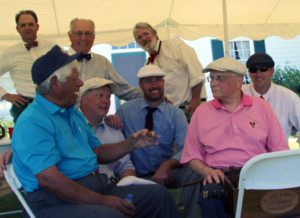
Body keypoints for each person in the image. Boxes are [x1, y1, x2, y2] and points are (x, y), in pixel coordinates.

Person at [10, 45, 180, 218]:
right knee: (112, 215)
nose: (80, 83)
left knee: (158, 196)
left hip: (95, 187)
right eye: (74, 78)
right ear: (55, 83)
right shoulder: (33, 121)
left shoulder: (72, 113)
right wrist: (102, 200)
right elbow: (50, 179)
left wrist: (131, 144)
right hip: (55, 200)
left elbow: (98, 152)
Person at [180, 57, 289, 218]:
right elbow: (191, 157)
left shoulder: (261, 107)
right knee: (211, 194)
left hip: (256, 175)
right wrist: (207, 171)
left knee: (285, 200)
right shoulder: (201, 112)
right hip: (220, 176)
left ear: (239, 81)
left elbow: (279, 150)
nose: (212, 83)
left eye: (220, 78)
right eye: (212, 78)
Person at [117, 64, 202, 218]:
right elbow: (116, 142)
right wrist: (111, 120)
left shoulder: (176, 113)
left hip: (169, 173)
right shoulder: (125, 111)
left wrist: (167, 165)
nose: (154, 85)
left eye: (158, 80)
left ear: (163, 83)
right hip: (138, 174)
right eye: (149, 81)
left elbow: (187, 148)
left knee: (195, 173)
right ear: (141, 85)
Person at [133, 22, 206, 119]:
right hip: (171, 113)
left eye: (146, 34)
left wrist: (196, 99)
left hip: (192, 106)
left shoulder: (176, 45)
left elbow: (197, 73)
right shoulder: (148, 64)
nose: (144, 38)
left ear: (154, 33)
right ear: (138, 43)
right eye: (139, 37)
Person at [0, 10, 55, 122]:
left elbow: (66, 71)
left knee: (55, 138)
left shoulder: (52, 47)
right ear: (17, 29)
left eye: (31, 24)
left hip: (52, 104)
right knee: (26, 139)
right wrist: (5, 95)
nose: (27, 27)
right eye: (23, 25)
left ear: (37, 26)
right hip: (24, 106)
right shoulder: (9, 53)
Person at [68, 18, 142, 100]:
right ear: (70, 35)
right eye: (79, 33)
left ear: (93, 36)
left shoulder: (103, 63)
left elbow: (125, 91)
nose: (83, 38)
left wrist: (151, 95)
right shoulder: (58, 62)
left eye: (88, 33)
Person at [80, 77, 136, 180]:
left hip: (110, 186)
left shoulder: (114, 129)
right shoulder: (71, 126)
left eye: (108, 97)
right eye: (100, 96)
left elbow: (124, 165)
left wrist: (131, 185)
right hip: (80, 188)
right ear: (83, 100)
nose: (106, 101)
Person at [242, 53, 300, 142]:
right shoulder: (239, 94)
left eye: (263, 69)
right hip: (248, 154)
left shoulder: (289, 98)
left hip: (278, 154)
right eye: (253, 70)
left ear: (272, 71)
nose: (258, 74)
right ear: (249, 73)